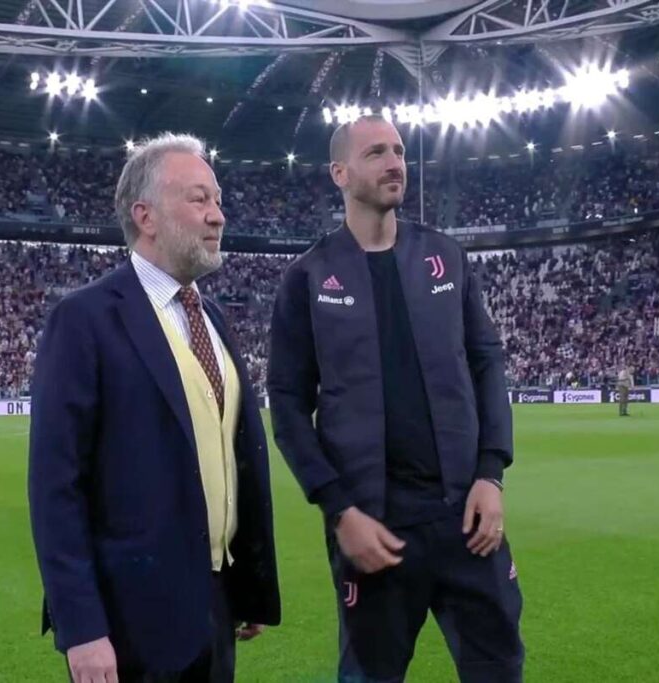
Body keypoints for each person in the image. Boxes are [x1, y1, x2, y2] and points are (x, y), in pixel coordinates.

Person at [268, 115, 524, 683]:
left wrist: (491, 474)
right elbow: (286, 403)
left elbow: (486, 363)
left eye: (400, 151)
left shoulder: (445, 256)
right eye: (376, 153)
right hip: (372, 527)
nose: (394, 164)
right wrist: (338, 509)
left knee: (500, 668)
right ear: (340, 173)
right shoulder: (308, 277)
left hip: (467, 519)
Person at [28, 132, 280, 683]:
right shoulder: (85, 319)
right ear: (145, 216)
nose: (218, 216)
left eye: (218, 200)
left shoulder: (212, 318)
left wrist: (250, 584)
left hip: (216, 606)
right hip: (128, 622)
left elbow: (230, 454)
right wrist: (82, 629)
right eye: (199, 199)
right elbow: (55, 488)